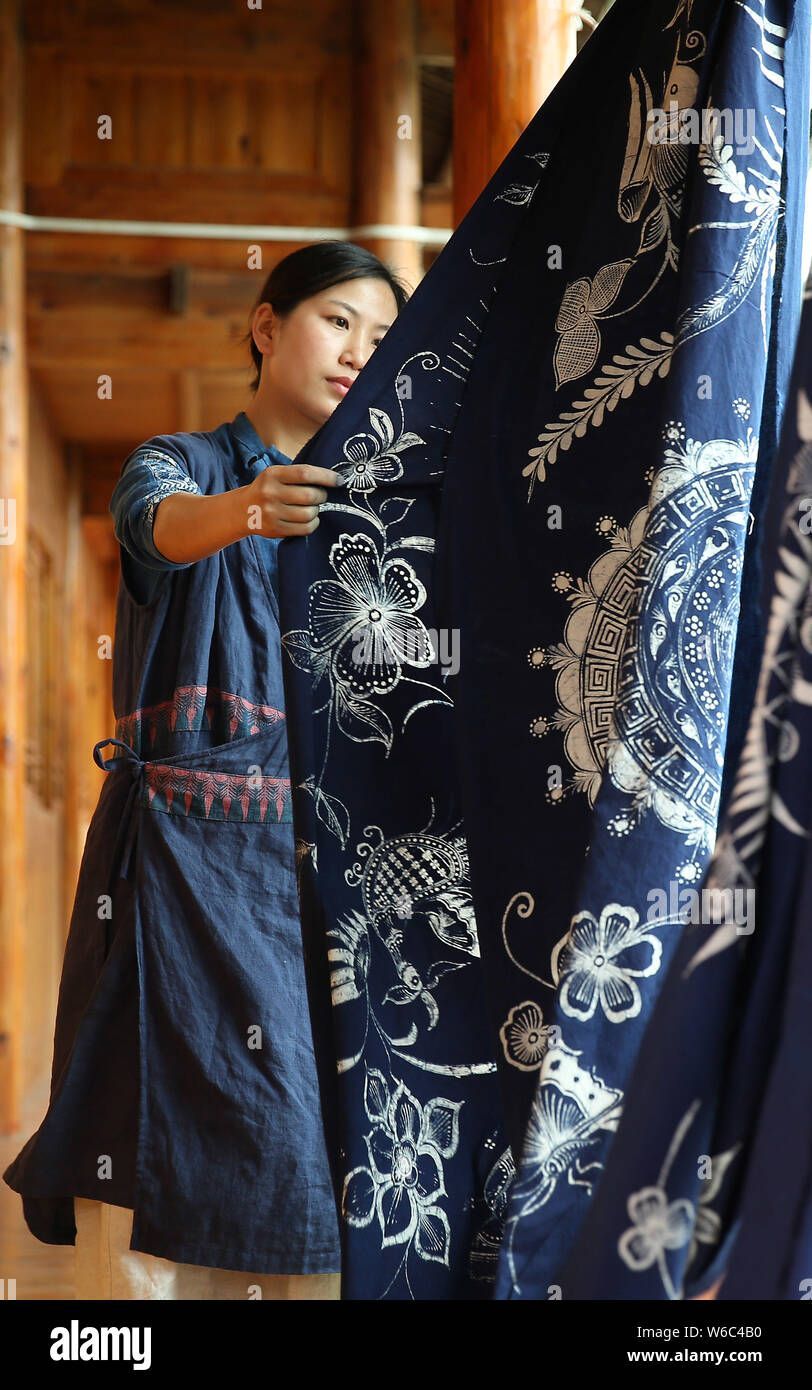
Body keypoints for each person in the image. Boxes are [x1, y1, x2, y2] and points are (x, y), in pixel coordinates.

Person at [3, 240, 410, 1300]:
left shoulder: (388, 507)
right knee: (150, 1180)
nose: (356, 352)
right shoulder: (178, 460)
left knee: (313, 1165)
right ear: (266, 327)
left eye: (379, 338)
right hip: (178, 873)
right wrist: (246, 510)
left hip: (318, 880)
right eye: (336, 321)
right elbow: (152, 525)